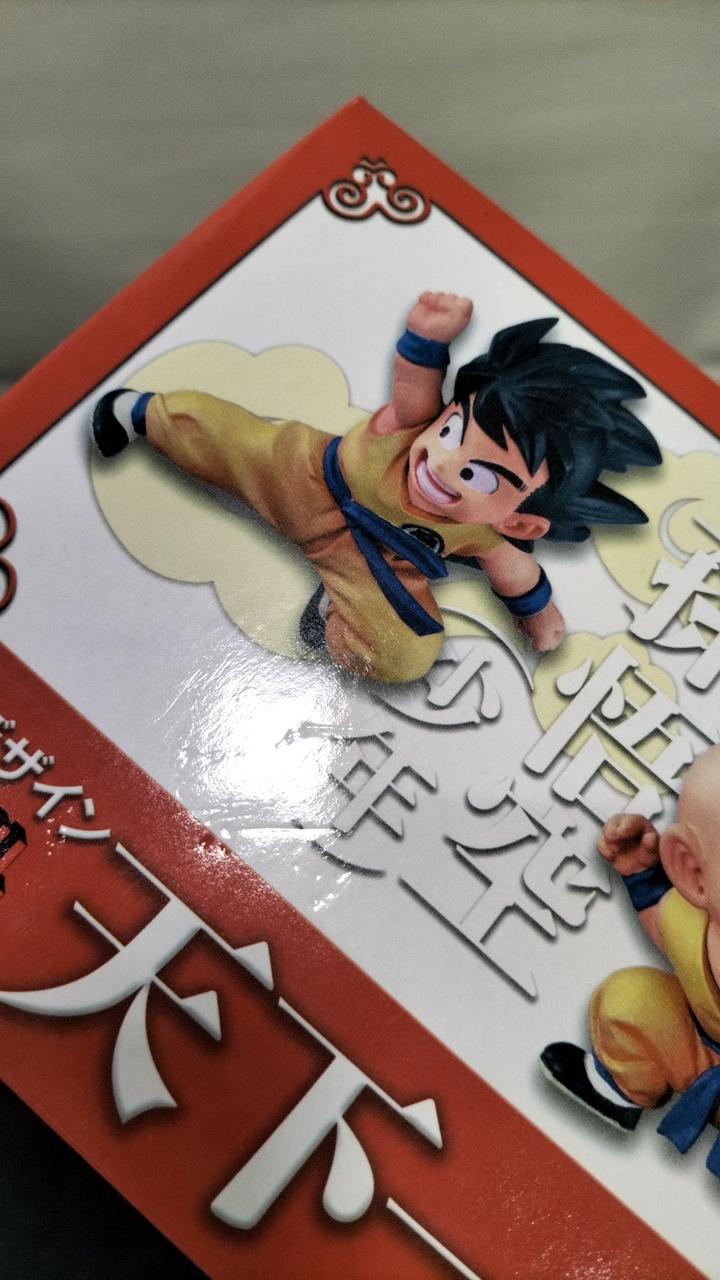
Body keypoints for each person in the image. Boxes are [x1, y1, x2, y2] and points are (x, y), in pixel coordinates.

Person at [92, 292, 660, 683]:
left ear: (518, 521)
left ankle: (335, 622)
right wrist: (426, 335)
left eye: (481, 475)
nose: (443, 464)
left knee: (408, 652)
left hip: (372, 564)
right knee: (228, 438)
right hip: (306, 476)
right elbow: (416, 378)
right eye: (453, 430)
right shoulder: (410, 426)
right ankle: (141, 413)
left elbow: (520, 578)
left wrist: (540, 618)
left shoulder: (491, 538)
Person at [541, 746, 720, 1177]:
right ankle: (618, 1089)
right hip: (699, 1057)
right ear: (692, 872)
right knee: (632, 999)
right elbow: (663, 922)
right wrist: (641, 874)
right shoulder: (693, 925)